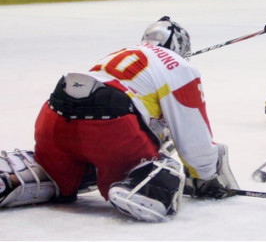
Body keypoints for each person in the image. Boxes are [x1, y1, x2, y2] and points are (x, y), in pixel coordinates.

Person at [0, 16, 239, 222]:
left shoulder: (121, 54)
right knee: (159, 167)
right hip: (111, 129)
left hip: (53, 119)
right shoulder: (179, 65)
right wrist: (207, 176)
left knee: (57, 175)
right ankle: (139, 186)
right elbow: (194, 142)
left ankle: (15, 178)